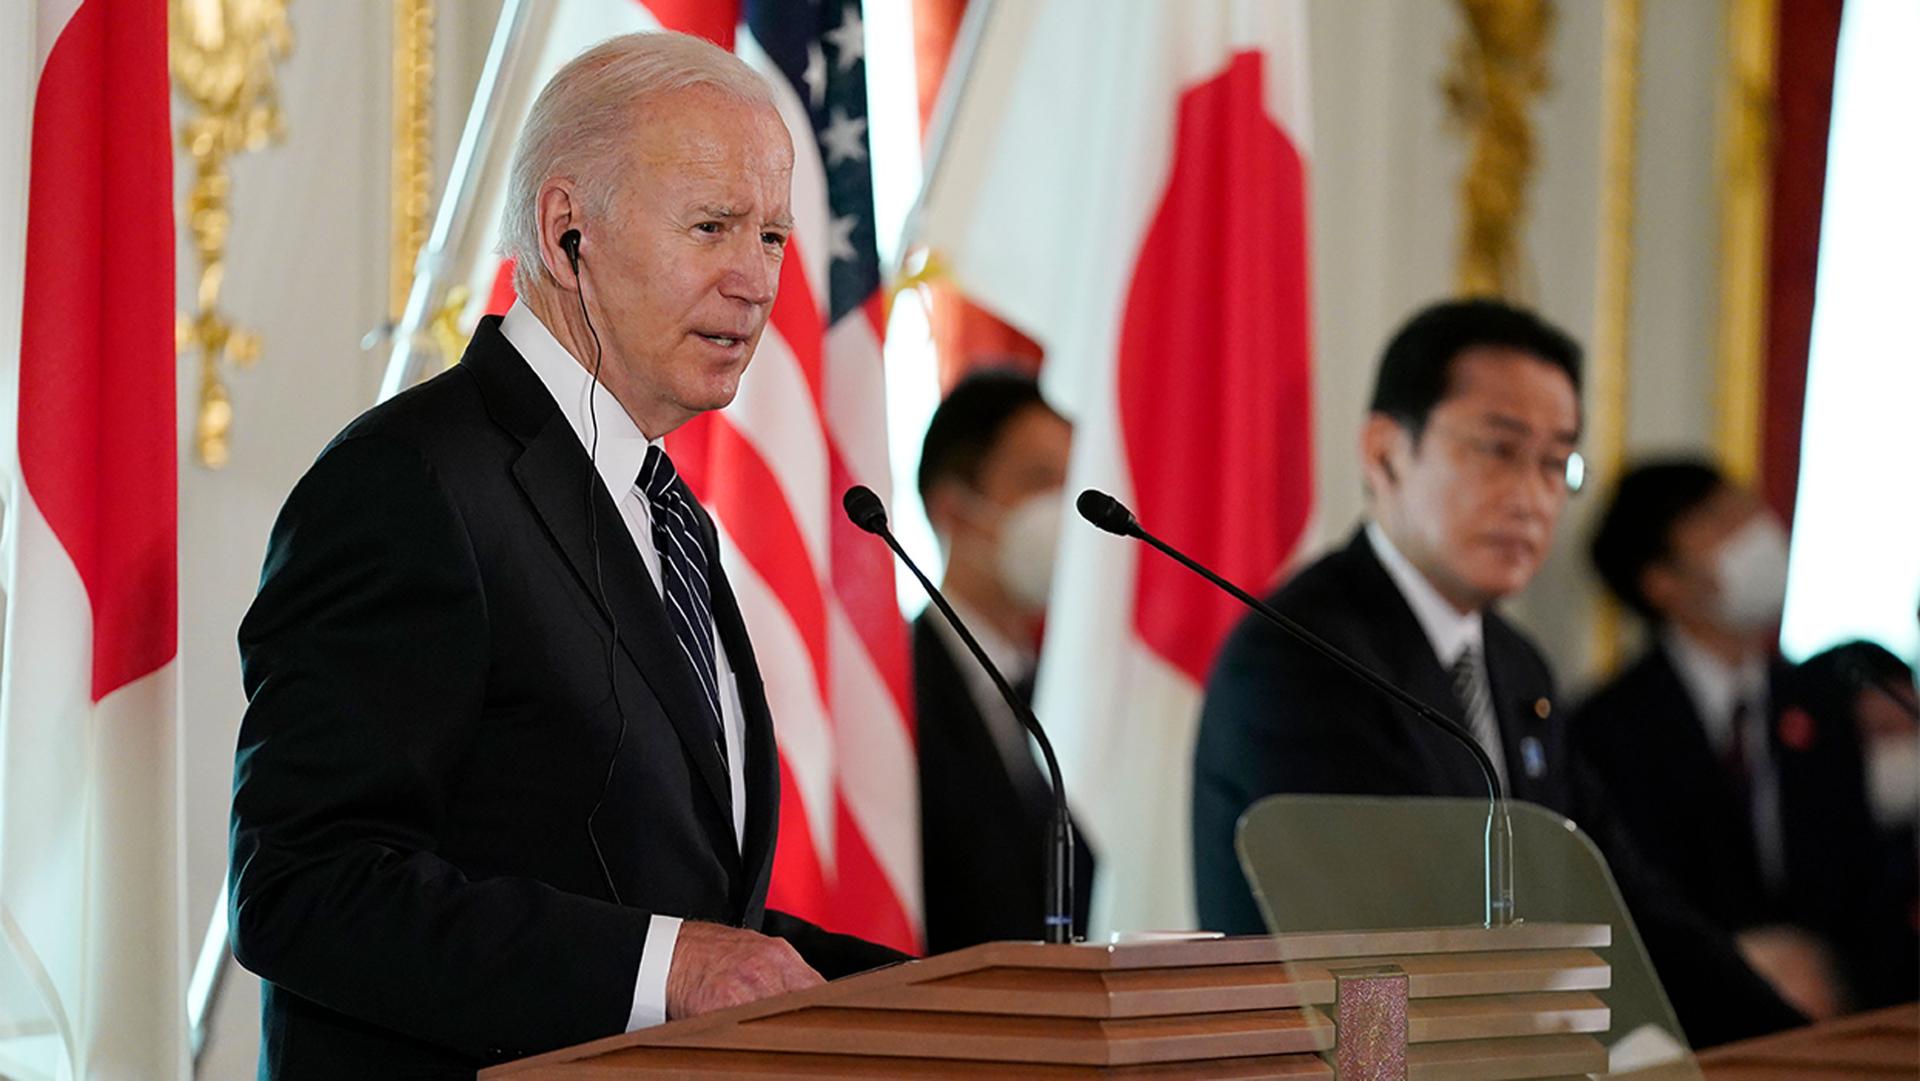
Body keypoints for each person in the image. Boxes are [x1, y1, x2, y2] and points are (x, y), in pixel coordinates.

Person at [228, 33, 905, 1079]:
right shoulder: (411, 482)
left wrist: (990, 987)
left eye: (772, 235)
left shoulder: (660, 508)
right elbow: (307, 887)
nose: (755, 278)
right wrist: (674, 968)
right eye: (713, 225)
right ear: (566, 229)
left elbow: (670, 905)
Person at [1192, 298, 1804, 1047]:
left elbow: (1619, 893)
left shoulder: (1515, 663)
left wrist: (1791, 1040)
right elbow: (1368, 948)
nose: (1533, 496)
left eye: (1556, 463)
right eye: (1498, 449)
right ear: (1386, 452)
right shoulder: (1298, 654)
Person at [1580, 463, 1918, 1011]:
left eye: (1750, 508)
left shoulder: (1822, 703)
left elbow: (1866, 882)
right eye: (1719, 519)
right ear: (1660, 581)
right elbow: (1627, 904)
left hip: (1839, 1020)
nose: (1757, 530)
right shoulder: (1607, 729)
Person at [912, 369, 1095, 952]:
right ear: (954, 508)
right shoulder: (894, 690)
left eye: (1074, 484)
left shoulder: (1066, 685)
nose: (1063, 511)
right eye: (1040, 481)